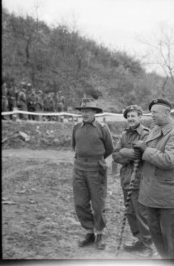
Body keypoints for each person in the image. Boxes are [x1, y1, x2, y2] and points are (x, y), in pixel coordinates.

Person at [133, 98, 174, 259]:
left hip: (167, 197)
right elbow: (147, 151)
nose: (152, 116)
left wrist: (146, 151)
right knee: (157, 236)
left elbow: (169, 160)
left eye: (155, 113)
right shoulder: (154, 130)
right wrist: (138, 152)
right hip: (151, 195)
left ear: (166, 113)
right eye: (151, 113)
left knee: (172, 239)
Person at [72, 98, 114, 250]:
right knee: (80, 203)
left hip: (96, 170)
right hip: (79, 169)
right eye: (83, 111)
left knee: (98, 204)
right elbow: (74, 146)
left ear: (95, 112)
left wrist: (96, 160)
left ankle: (100, 234)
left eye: (88, 111)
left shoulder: (103, 128)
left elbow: (109, 149)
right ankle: (89, 233)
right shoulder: (76, 127)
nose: (85, 113)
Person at [112, 105, 152, 253]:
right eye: (128, 116)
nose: (130, 118)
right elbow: (115, 155)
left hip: (139, 178)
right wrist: (126, 153)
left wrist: (130, 154)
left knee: (141, 212)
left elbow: (144, 155)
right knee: (129, 211)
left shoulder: (146, 134)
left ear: (140, 117)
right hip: (126, 178)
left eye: (133, 116)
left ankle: (147, 243)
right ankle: (138, 239)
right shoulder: (124, 135)